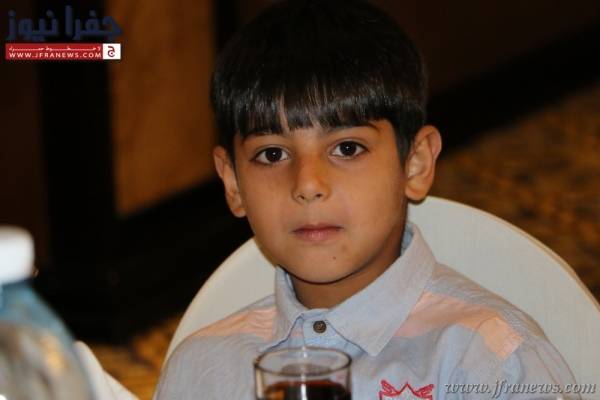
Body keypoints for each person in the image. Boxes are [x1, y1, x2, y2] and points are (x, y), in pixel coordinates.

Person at [154, 1, 578, 398]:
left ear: (414, 164)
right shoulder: (202, 370)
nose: (308, 184)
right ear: (233, 183)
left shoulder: (491, 362)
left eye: (347, 148)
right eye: (272, 154)